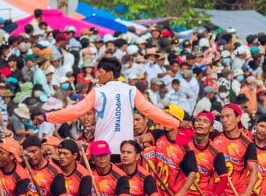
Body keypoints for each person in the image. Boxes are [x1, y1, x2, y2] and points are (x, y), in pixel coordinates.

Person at [39, 57, 179, 153]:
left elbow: (76, 111)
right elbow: (151, 111)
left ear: (110, 73)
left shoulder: (98, 92)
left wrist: (47, 116)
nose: (97, 75)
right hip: (126, 152)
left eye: (100, 72)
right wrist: (175, 123)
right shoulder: (131, 90)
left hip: (102, 151)